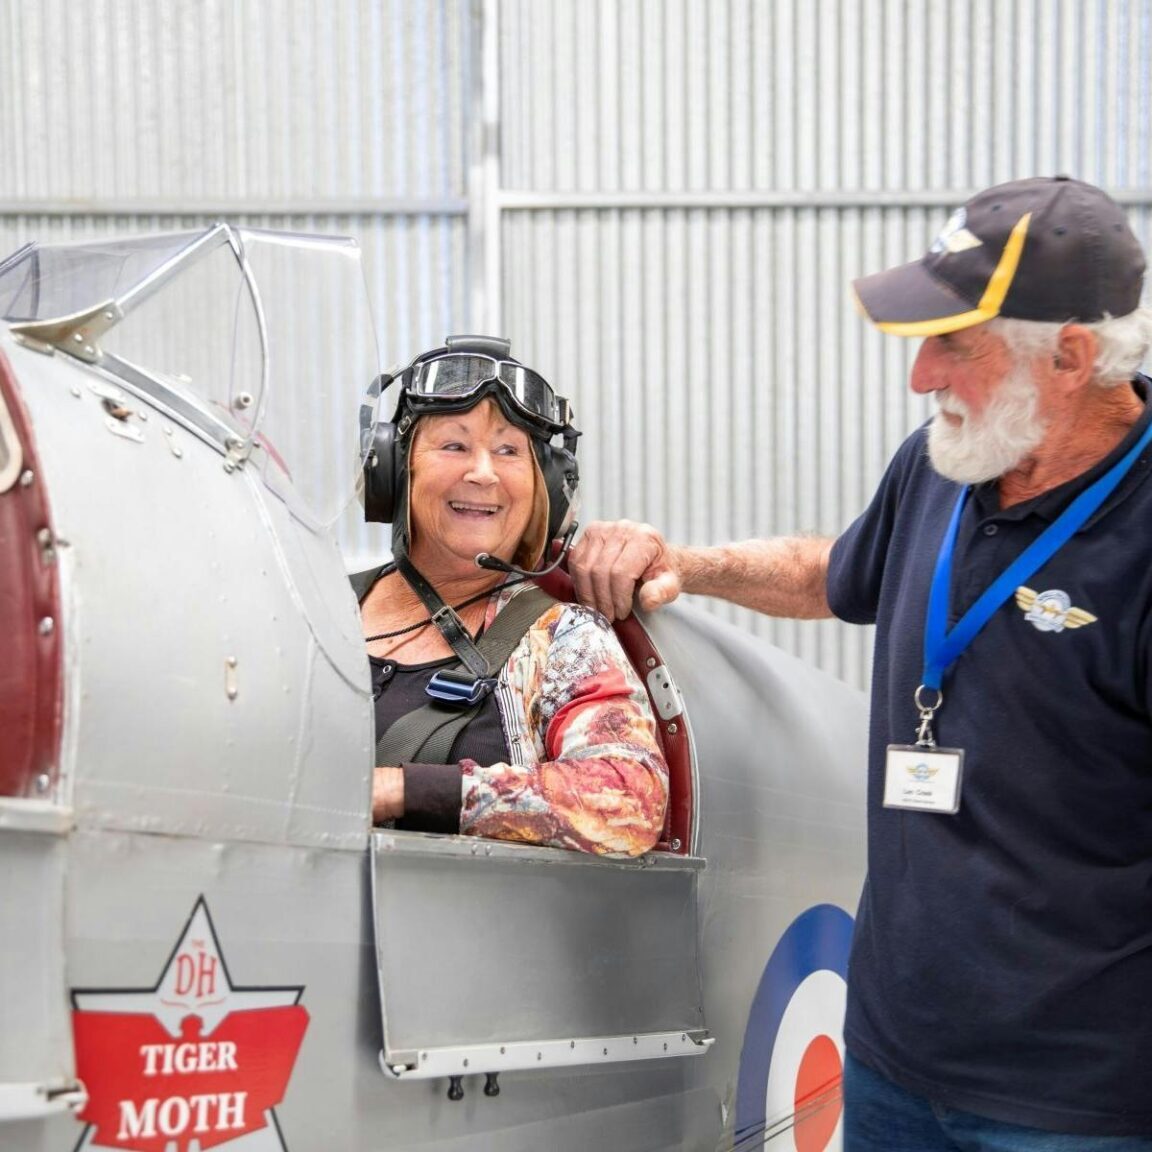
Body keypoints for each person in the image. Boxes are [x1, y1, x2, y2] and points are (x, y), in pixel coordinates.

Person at [568, 177, 1152, 1146]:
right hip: (890, 1062)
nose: (920, 376)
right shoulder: (944, 464)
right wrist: (689, 566)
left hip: (1075, 1104)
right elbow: (829, 574)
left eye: (954, 344)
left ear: (1072, 357)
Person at [356, 335, 668, 858]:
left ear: (545, 487)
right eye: (454, 445)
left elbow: (628, 798)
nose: (483, 472)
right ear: (393, 468)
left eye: (507, 451)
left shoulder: (563, 639)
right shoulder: (316, 611)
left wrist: (401, 791)